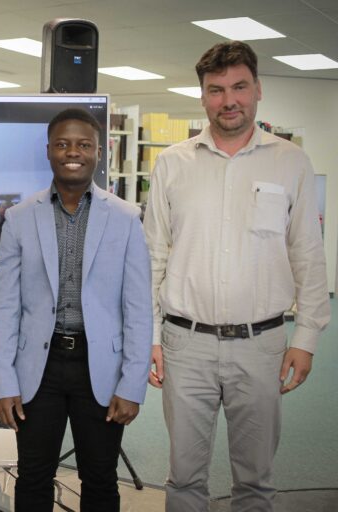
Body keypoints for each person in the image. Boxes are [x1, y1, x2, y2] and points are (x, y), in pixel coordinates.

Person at [143, 41, 330, 512]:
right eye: (216, 90)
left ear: (258, 89)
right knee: (184, 478)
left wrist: (306, 336)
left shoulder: (291, 163)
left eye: (239, 87)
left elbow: (307, 253)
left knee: (256, 481)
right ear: (203, 96)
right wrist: (149, 336)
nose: (229, 100)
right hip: (185, 344)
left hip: (262, 344)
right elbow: (152, 257)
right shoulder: (171, 164)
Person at [0, 108, 152, 511]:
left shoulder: (127, 219)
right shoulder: (19, 218)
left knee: (99, 480)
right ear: (48, 151)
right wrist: (3, 382)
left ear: (99, 152)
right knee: (33, 477)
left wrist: (132, 384)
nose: (72, 152)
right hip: (37, 369)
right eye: (62, 144)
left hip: (99, 367)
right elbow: (6, 305)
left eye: (83, 145)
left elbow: (138, 308)